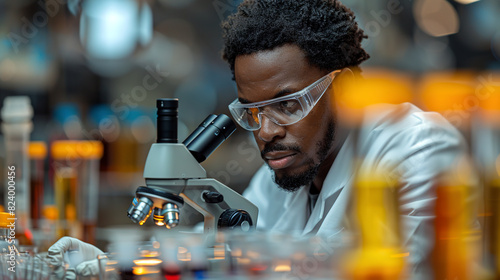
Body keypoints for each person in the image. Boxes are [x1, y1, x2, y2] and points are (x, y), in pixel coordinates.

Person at [47, 0, 470, 279]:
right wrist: (112, 266)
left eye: (287, 105)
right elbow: (223, 256)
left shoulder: (418, 151)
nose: (266, 132)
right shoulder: (284, 172)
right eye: (251, 112)